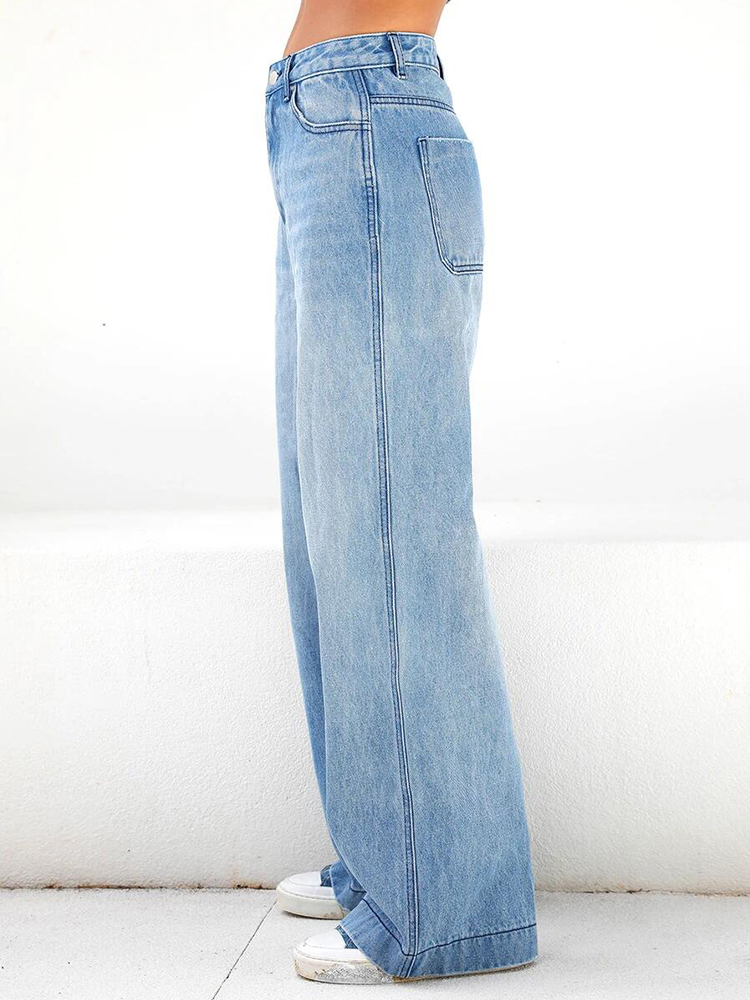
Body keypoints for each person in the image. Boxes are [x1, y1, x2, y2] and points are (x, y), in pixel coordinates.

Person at [266, 0, 537, 983]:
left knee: (389, 529)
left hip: (367, 110)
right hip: (329, 122)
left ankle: (447, 905)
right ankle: (388, 858)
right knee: (336, 528)